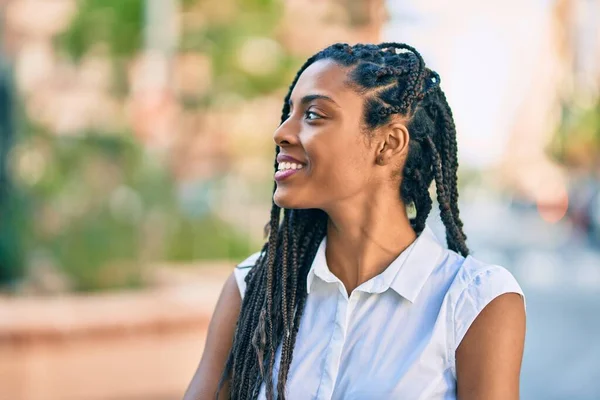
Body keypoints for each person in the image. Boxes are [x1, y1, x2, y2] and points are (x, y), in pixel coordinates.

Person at [183, 42, 526, 400]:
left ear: (389, 144)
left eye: (313, 115)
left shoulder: (474, 302)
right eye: (289, 112)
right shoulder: (254, 288)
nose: (282, 132)